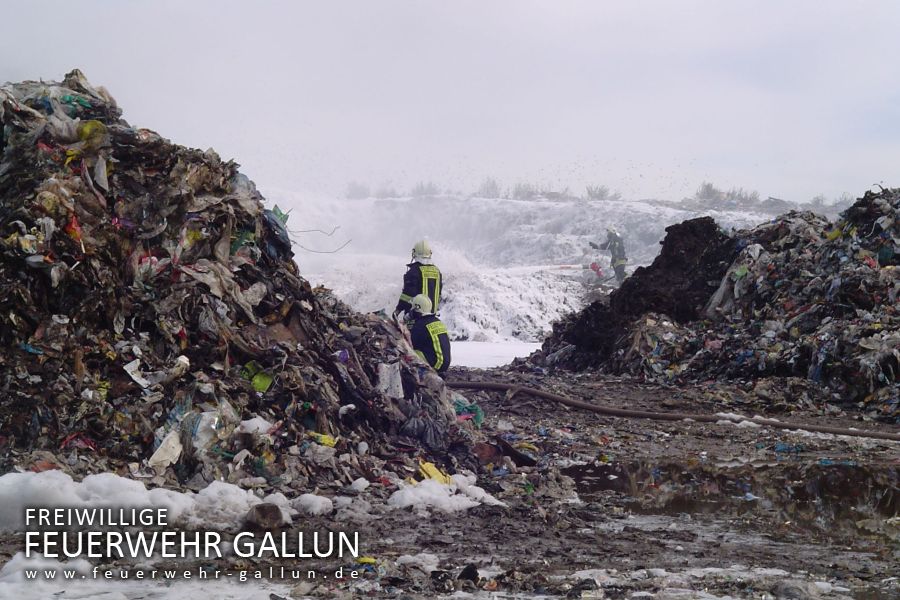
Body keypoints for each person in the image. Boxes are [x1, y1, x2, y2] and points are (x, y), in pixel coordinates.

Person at [394, 240, 442, 317]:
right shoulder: (437, 271)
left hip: (415, 317)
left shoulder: (413, 272)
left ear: (414, 253)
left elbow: (407, 295)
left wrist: (397, 310)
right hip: (432, 316)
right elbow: (438, 294)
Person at [408, 294, 451, 374]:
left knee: (408, 354)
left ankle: (419, 375)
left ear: (417, 309)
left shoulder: (420, 325)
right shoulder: (437, 321)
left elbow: (410, 345)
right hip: (445, 363)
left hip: (435, 365)